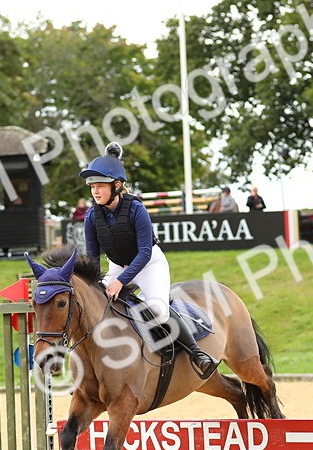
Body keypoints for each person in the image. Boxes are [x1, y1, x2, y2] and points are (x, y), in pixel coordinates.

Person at [80, 142, 217, 378]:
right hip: (117, 266)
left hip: (149, 263)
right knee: (96, 307)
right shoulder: (92, 216)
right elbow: (93, 258)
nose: (95, 191)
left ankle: (198, 354)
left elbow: (144, 252)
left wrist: (120, 282)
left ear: (117, 185)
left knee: (158, 310)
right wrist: (92, 286)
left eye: (100, 186)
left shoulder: (136, 209)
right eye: (92, 186)